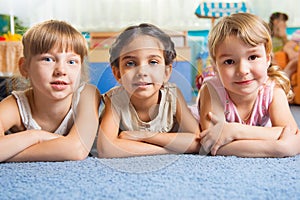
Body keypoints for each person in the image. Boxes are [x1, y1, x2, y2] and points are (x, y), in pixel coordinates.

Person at [197, 13, 300, 157]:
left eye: (252, 57)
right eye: (229, 61)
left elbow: (291, 132)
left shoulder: (273, 90)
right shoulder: (212, 90)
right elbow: (211, 143)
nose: (243, 71)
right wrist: (278, 147)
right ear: (215, 67)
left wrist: (234, 131)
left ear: (267, 59)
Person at [0, 20, 101, 162]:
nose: (61, 70)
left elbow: (77, 150)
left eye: (71, 62)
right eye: (48, 59)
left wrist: (9, 154)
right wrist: (36, 136)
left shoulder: (87, 95)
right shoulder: (15, 105)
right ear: (25, 67)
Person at [97, 23, 201, 158]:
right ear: (117, 73)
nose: (142, 72)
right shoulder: (115, 99)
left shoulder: (172, 95)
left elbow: (197, 140)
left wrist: (146, 136)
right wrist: (168, 151)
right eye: (130, 63)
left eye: (153, 62)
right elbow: (106, 148)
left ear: (166, 72)